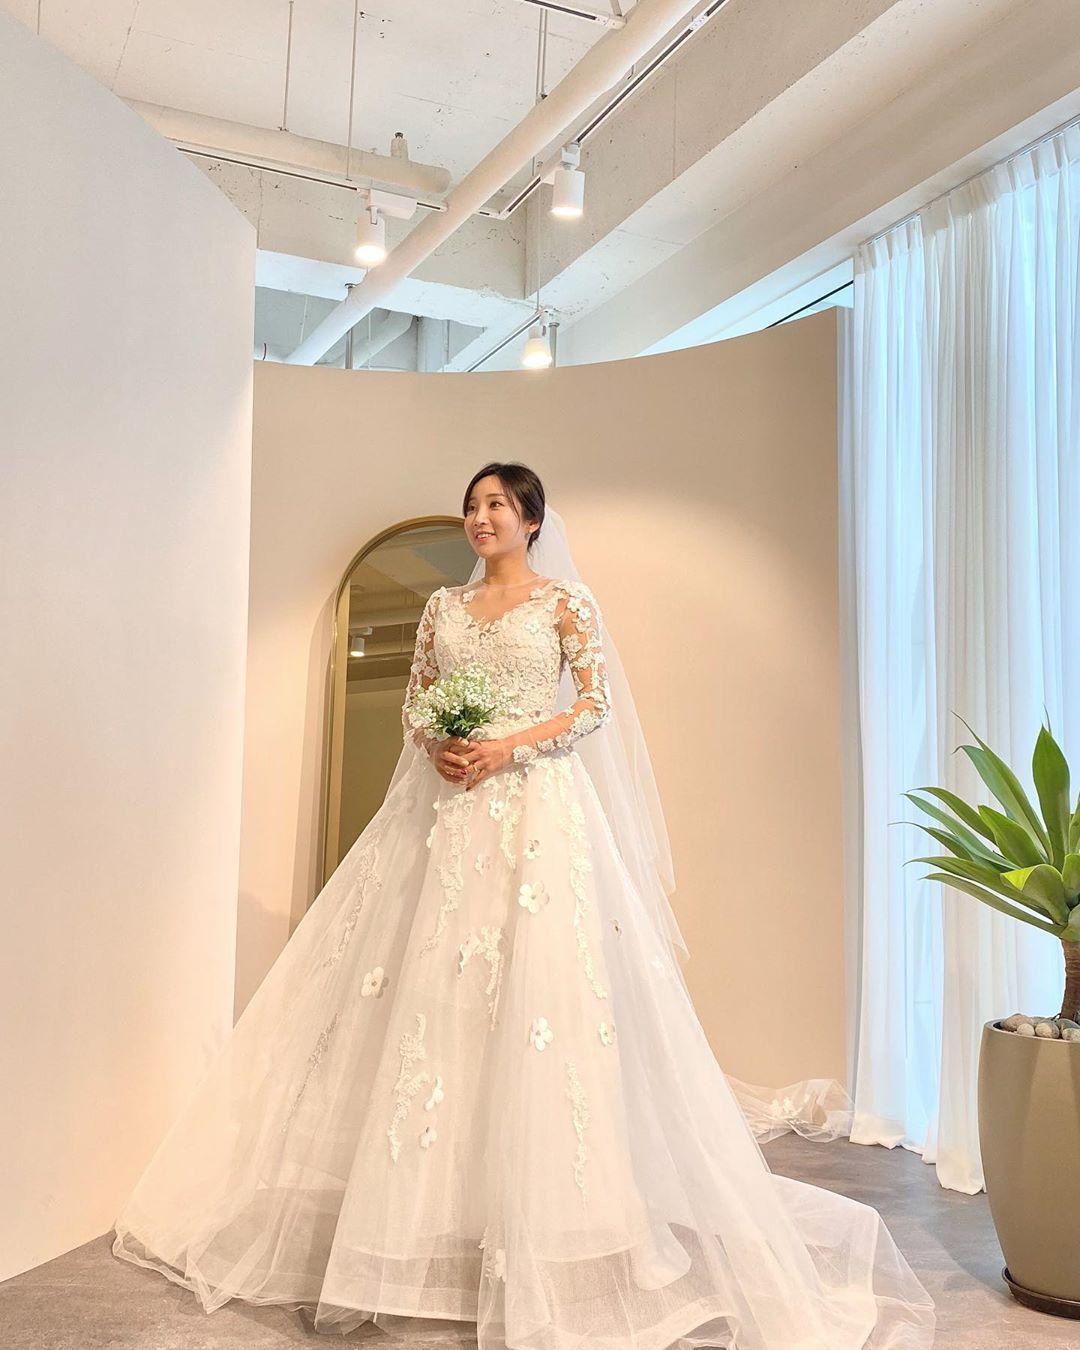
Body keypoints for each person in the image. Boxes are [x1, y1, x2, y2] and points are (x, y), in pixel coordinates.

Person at [111, 463, 935, 1348]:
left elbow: (594, 705)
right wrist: (441, 745)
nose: (480, 517)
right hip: (452, 814)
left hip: (539, 813)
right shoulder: (442, 608)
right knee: (441, 1002)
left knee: (540, 1002)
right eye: (472, 506)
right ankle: (434, 1210)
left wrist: (509, 746)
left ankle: (553, 1213)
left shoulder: (565, 602)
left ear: (532, 520)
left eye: (496, 505)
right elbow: (416, 706)